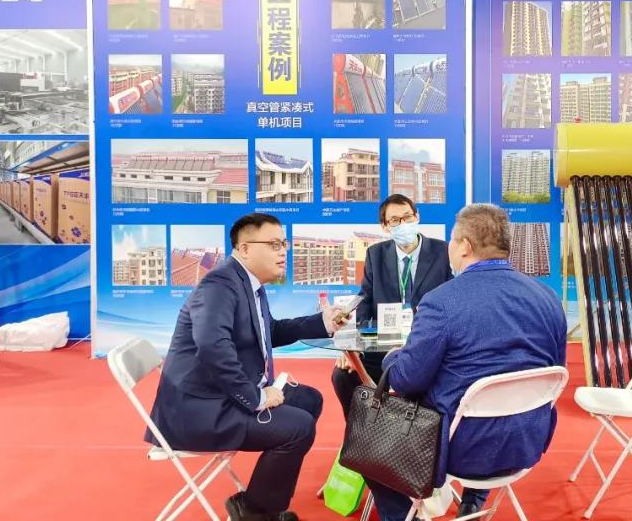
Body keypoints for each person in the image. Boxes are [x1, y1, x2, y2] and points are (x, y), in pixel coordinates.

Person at [365, 204, 568, 520]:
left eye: (452, 239)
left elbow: (407, 380)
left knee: (370, 443)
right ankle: (474, 498)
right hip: (526, 440)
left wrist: (394, 357)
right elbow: (554, 371)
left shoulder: (441, 302)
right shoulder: (548, 299)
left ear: (465, 246)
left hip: (459, 448)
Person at [146, 213, 350, 521]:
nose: (283, 251)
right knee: (297, 427)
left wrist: (323, 322)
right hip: (200, 411)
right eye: (274, 244)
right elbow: (212, 347)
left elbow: (270, 331)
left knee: (308, 400)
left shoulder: (249, 283)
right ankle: (256, 512)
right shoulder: (219, 284)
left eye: (284, 244)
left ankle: (261, 502)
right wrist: (256, 398)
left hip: (219, 395)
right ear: (244, 249)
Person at [330, 194, 453, 416]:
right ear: (385, 226)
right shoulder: (375, 254)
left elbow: (453, 302)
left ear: (417, 216)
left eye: (407, 217)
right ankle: (362, 431)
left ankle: (425, 432)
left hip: (428, 350)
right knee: (343, 375)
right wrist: (354, 352)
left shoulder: (443, 252)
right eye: (395, 220)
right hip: (385, 350)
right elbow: (365, 302)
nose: (403, 224)